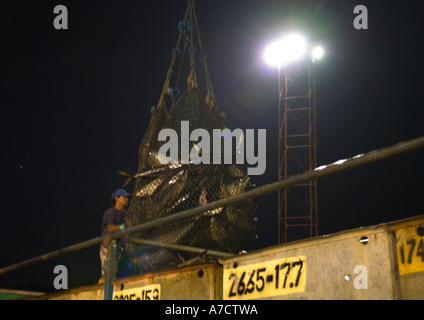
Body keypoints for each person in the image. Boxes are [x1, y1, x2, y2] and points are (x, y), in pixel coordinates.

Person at [99, 188, 132, 283]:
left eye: (127, 197)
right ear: (117, 198)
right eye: (124, 197)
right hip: (108, 246)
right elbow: (110, 228)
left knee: (117, 275)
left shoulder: (127, 214)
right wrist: (123, 227)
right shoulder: (110, 212)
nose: (127, 199)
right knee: (107, 274)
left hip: (121, 247)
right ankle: (102, 293)